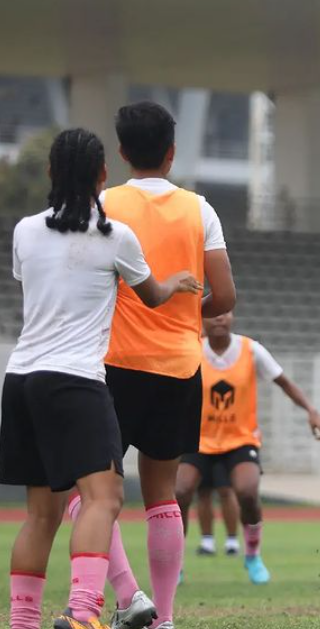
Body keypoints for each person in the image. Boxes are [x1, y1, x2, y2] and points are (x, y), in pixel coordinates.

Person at [0, 128, 200, 629]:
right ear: (103, 175)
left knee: (40, 514)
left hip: (22, 379)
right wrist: (176, 281)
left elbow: (30, 278)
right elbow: (151, 295)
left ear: (50, 172)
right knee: (104, 498)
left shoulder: (25, 230)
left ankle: (22, 621)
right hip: (77, 382)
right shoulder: (115, 237)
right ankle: (84, 611)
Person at [68, 102, 236, 629]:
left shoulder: (101, 203)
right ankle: (162, 620)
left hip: (110, 365)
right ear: (172, 151)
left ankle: (127, 595)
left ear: (120, 152)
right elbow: (226, 295)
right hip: (179, 366)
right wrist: (187, 310)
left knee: (91, 495)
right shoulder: (200, 209)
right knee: (162, 495)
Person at [175, 312, 320, 584]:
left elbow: (284, 382)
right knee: (180, 492)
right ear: (201, 320)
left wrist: (312, 411)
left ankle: (252, 555)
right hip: (199, 439)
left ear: (232, 316)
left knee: (247, 492)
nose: (219, 319)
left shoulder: (251, 350)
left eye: (224, 313)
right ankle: (174, 564)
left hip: (240, 439)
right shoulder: (193, 350)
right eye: (212, 315)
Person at [194, 466, 240, 556]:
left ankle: (232, 542)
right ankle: (207, 543)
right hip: (202, 452)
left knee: (226, 491)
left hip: (224, 454)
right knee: (203, 492)